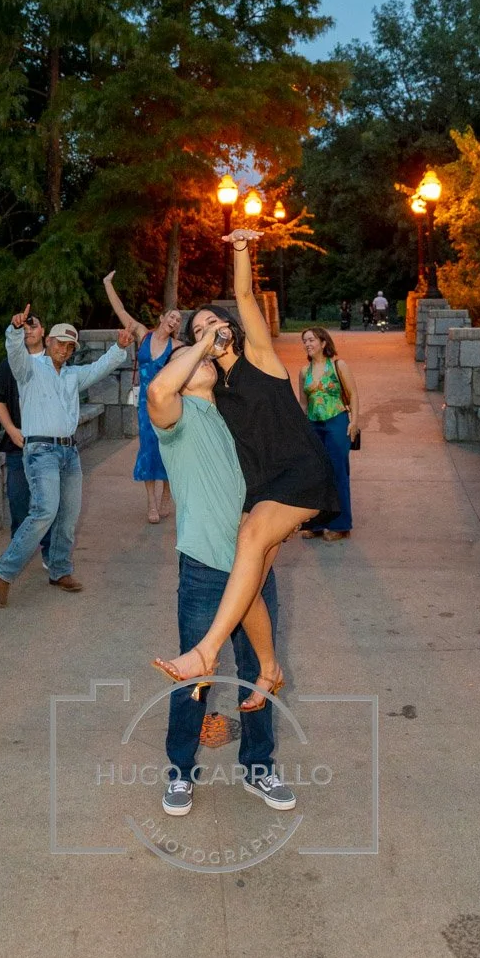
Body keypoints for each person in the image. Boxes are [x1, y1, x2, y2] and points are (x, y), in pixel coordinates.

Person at [153, 230, 340, 702]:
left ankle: (206, 653)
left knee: (250, 538)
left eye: (214, 325)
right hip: (261, 489)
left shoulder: (260, 358)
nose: (207, 333)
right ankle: (270, 670)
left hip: (299, 472)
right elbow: (166, 390)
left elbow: (242, 295)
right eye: (196, 331)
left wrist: (239, 247)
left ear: (230, 330)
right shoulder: (210, 391)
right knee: (248, 583)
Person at [147, 324, 296, 816]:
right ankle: (180, 773)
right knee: (194, 679)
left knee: (257, 673)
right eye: (197, 340)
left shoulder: (232, 417)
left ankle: (259, 767)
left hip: (251, 572)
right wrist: (200, 345)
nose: (208, 348)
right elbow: (159, 387)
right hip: (205, 571)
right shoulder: (177, 415)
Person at [0, 308, 134, 606]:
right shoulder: (29, 369)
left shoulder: (72, 375)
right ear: (50, 341)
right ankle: (4, 570)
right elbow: (14, 351)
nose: (65, 350)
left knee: (68, 516)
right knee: (44, 511)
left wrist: (120, 347)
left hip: (69, 453)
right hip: (40, 451)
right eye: (61, 343)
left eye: (70, 346)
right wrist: (15, 329)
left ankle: (59, 570)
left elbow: (99, 368)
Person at [103, 271, 181, 524]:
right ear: (161, 318)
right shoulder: (142, 334)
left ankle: (167, 494)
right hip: (146, 406)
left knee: (170, 449)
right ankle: (151, 503)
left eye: (178, 320)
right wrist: (107, 284)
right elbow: (121, 311)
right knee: (148, 450)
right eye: (172, 316)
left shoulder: (177, 347)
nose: (175, 321)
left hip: (169, 404)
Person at [0, 313, 51, 568]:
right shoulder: (10, 364)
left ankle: (50, 552)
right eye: (23, 327)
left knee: (49, 503)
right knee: (18, 502)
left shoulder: (55, 361)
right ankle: (17, 555)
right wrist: (12, 430)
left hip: (49, 446)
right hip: (18, 445)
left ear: (43, 330)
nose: (28, 330)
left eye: (33, 325)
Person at [298, 327, 359, 541]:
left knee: (338, 473)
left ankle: (341, 526)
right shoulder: (304, 372)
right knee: (315, 475)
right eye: (304, 340)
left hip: (337, 422)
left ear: (323, 343)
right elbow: (303, 404)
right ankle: (316, 524)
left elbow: (352, 395)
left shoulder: (338, 365)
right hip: (314, 426)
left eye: (311, 339)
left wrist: (354, 422)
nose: (307, 343)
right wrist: (301, 431)